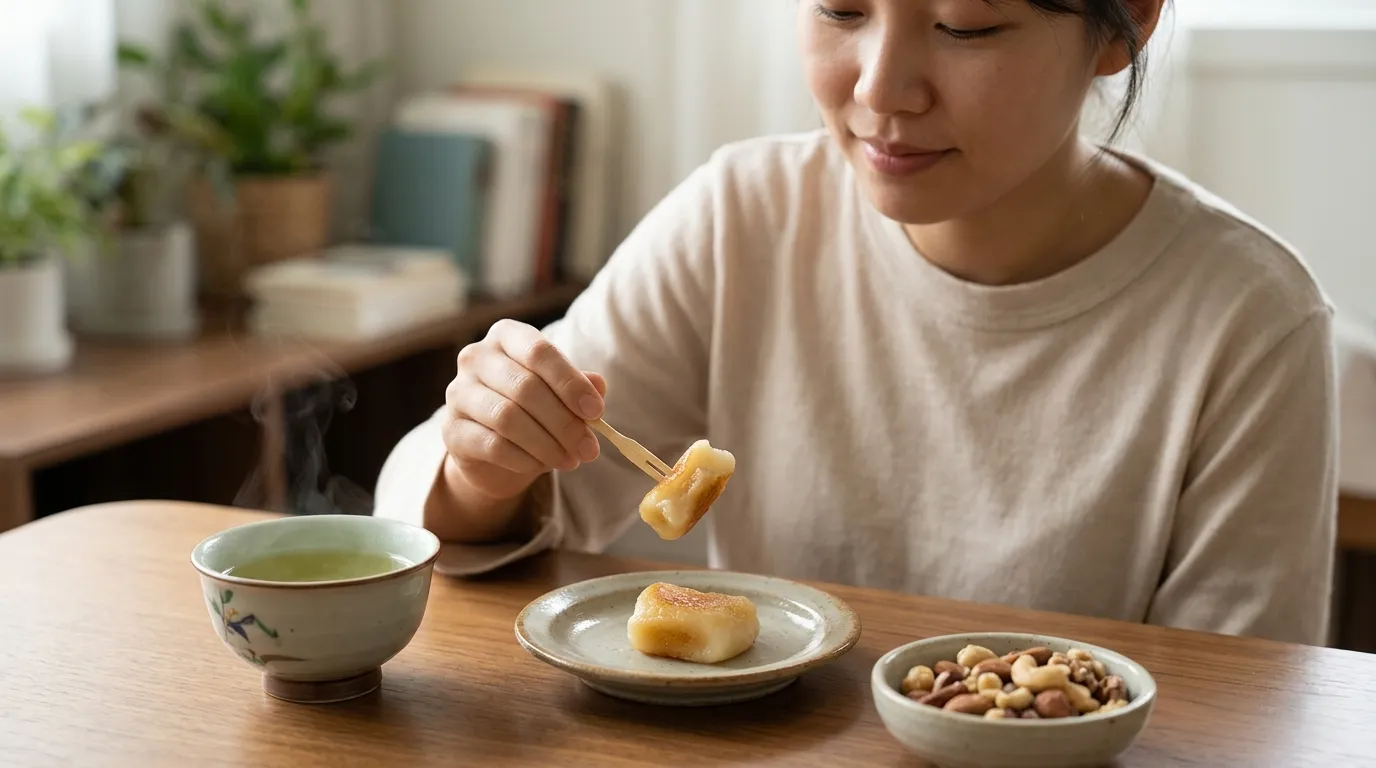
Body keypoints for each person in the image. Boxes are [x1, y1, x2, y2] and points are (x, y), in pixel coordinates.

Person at [375, 0, 1337, 646]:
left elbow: (1240, 704)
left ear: (1124, 25)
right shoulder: (741, 215)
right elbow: (437, 521)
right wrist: (484, 465)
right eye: (841, 8)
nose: (881, 87)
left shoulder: (1250, 320)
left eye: (967, 24)